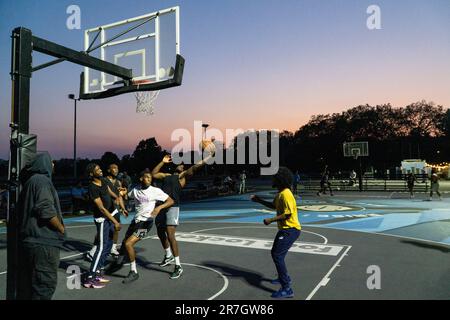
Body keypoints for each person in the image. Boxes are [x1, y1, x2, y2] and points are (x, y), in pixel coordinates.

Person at [107, 169, 174, 284]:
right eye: (146, 177)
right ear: (141, 178)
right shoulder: (135, 190)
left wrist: (158, 208)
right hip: (135, 222)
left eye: (150, 178)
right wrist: (122, 195)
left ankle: (134, 272)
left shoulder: (155, 191)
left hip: (146, 223)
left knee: (129, 244)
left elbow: (170, 201)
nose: (148, 179)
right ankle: (118, 263)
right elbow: (127, 196)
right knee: (124, 243)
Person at [152, 153, 212, 279]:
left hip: (173, 207)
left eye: (183, 165)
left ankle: (178, 265)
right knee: (159, 232)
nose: (182, 165)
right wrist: (162, 161)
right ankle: (167, 255)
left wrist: (207, 158)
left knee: (170, 235)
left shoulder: (182, 176)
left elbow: (196, 167)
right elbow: (153, 174)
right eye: (180, 163)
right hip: (162, 206)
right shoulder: (166, 176)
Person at [16, 152, 66, 300]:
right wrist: (61, 229)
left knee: (29, 288)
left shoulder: (31, 181)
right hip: (43, 243)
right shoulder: (42, 181)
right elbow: (45, 209)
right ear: (43, 163)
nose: (53, 164)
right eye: (51, 161)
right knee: (44, 287)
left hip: (30, 242)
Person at [250, 167, 301, 299]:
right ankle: (284, 277)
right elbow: (274, 206)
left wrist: (271, 220)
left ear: (280, 180)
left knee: (277, 255)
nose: (272, 179)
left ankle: (287, 288)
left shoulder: (286, 194)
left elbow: (288, 214)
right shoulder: (280, 194)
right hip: (287, 229)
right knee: (277, 254)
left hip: (290, 229)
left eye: (274, 178)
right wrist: (259, 200)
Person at [84, 163, 123, 289]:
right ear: (91, 174)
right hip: (102, 219)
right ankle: (90, 277)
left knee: (108, 244)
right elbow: (101, 208)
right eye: (97, 170)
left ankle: (99, 270)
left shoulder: (103, 182)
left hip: (109, 217)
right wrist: (115, 221)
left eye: (100, 168)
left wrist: (118, 196)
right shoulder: (92, 187)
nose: (100, 170)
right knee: (101, 247)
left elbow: (111, 192)